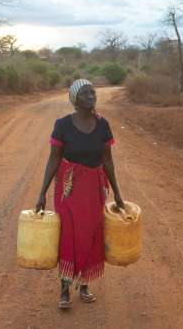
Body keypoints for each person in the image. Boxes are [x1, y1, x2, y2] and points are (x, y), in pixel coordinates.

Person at [35, 78, 125, 309]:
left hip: (94, 188)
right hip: (69, 187)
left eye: (93, 93)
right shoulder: (63, 124)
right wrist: (42, 193)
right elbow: (54, 158)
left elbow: (107, 160)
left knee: (91, 234)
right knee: (69, 234)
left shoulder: (103, 125)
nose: (91, 97)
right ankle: (64, 288)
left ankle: (84, 284)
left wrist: (117, 193)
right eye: (85, 94)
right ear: (75, 99)